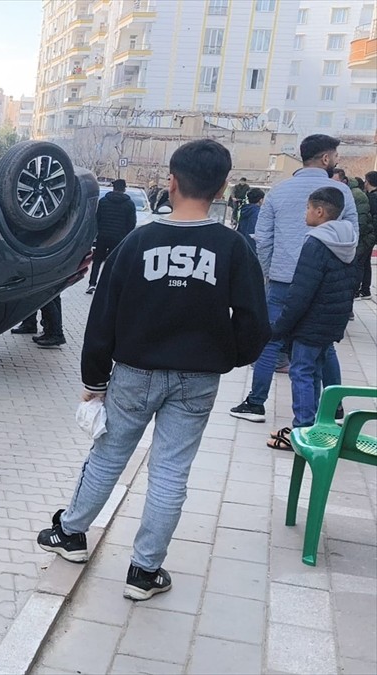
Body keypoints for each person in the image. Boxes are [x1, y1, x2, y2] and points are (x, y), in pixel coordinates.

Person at [37, 139, 269, 601]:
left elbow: (103, 315)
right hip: (198, 378)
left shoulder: (139, 242)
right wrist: (227, 356)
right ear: (222, 186)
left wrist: (94, 381)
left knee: (108, 455)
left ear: (171, 182)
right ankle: (144, 572)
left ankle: (72, 534)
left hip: (134, 374)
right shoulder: (233, 247)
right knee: (170, 472)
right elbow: (254, 322)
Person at [229, 134, 358, 424]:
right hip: (325, 284)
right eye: (335, 156)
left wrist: (267, 273)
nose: (336, 161)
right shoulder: (341, 193)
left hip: (283, 280)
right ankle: (334, 408)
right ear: (326, 159)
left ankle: (255, 403)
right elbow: (352, 239)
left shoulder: (279, 191)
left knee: (271, 340)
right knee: (322, 346)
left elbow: (263, 239)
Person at [269, 188, 357, 442]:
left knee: (301, 372)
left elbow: (301, 291)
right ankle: (319, 425)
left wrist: (282, 325)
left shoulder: (316, 242)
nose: (305, 213)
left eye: (308, 208)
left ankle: (302, 431)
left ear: (319, 212)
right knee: (315, 370)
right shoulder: (347, 239)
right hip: (332, 318)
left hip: (312, 321)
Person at [87, 179, 136, 293]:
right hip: (119, 238)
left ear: (113, 188)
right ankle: (107, 286)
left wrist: (98, 232)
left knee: (97, 261)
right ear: (124, 189)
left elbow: (97, 219)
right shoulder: (129, 204)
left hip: (103, 236)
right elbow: (131, 223)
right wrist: (126, 236)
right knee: (113, 262)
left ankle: (92, 284)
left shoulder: (103, 201)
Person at [331, 169, 372, 302]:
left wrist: (353, 240)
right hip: (356, 237)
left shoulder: (356, 195)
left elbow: (360, 221)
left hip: (361, 238)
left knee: (356, 267)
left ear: (344, 181)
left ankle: (353, 296)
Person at [361, 171, 377, 298]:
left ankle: (364, 289)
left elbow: (370, 217)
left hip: (370, 234)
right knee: (366, 262)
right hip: (372, 235)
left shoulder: (372, 198)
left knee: (363, 262)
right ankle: (366, 289)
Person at [236, 187, 264, 255]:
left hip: (241, 243)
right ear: (260, 200)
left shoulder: (244, 209)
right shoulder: (259, 213)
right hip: (252, 247)